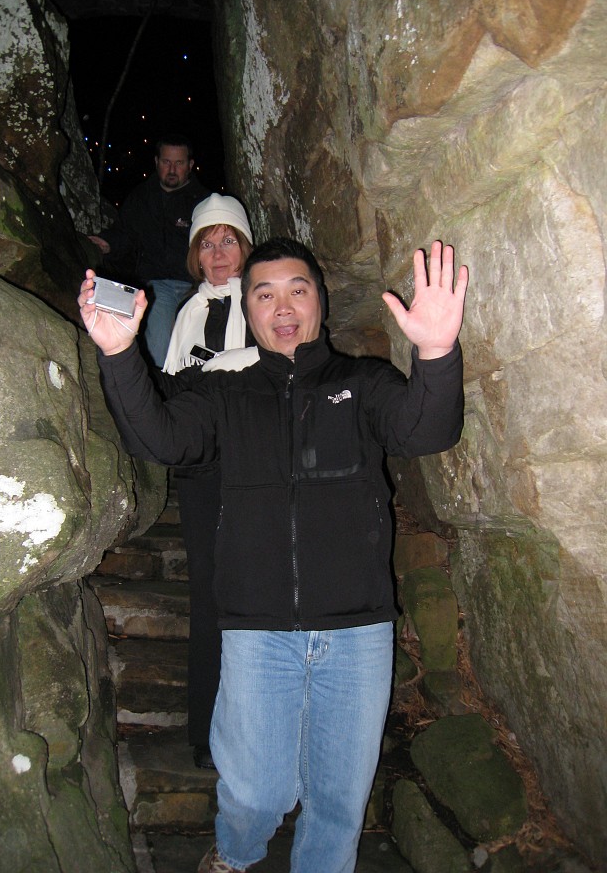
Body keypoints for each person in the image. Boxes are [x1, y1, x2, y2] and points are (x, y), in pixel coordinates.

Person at [78, 237, 468, 873]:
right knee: (257, 791)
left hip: (358, 629)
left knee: (339, 805)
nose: (282, 306)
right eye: (264, 294)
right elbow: (163, 440)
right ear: (248, 310)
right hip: (258, 630)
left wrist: (436, 351)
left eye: (298, 289)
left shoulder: (362, 383)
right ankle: (234, 854)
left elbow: (426, 429)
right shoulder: (226, 395)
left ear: (320, 301)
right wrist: (120, 356)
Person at [162, 193, 255, 769]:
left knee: (250, 591)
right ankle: (205, 726)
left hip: (251, 461)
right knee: (206, 591)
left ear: (243, 246)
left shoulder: (264, 298)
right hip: (202, 469)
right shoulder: (189, 311)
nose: (217, 253)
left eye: (226, 240)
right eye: (206, 242)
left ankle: (252, 725)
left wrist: (218, 369)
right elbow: (176, 383)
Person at [95, 132, 210, 367]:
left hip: (199, 285)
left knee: (205, 346)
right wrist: (106, 243)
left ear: (190, 166)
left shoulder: (204, 201)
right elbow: (125, 234)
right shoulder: (141, 198)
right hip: (158, 285)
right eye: (166, 162)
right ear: (156, 162)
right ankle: (159, 390)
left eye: (178, 163)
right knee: (159, 340)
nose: (172, 169)